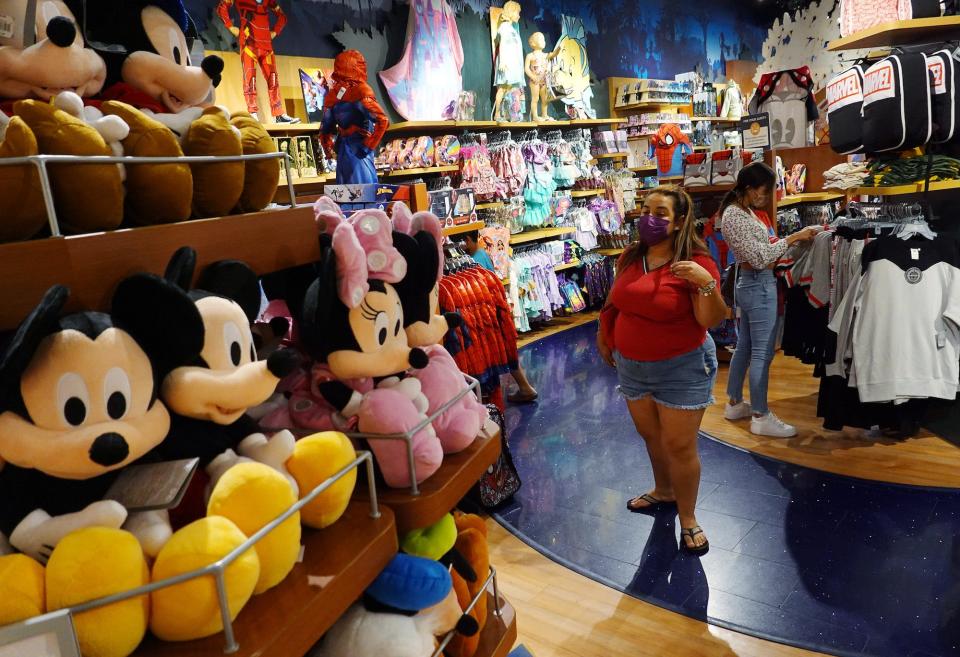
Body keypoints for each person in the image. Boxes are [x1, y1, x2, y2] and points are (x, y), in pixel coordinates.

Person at [597, 186, 727, 554]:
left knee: (680, 446)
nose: (649, 218)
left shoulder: (695, 263)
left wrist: (706, 285)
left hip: (682, 367)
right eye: (645, 209)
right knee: (651, 437)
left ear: (680, 221)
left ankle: (688, 518)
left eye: (660, 212)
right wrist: (604, 334)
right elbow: (614, 300)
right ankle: (664, 490)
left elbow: (711, 320)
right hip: (632, 367)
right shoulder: (631, 256)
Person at [719, 162, 821, 437]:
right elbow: (761, 257)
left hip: (753, 284)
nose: (765, 198)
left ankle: (734, 403)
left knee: (746, 347)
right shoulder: (735, 216)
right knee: (761, 353)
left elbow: (761, 251)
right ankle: (761, 416)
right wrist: (794, 237)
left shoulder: (743, 212)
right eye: (763, 192)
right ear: (749, 189)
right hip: (757, 285)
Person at [461, 231, 539, 404]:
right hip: (495, 306)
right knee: (507, 352)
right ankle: (525, 387)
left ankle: (522, 388)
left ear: (467, 240)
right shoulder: (481, 253)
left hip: (488, 309)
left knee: (498, 352)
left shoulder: (474, 259)